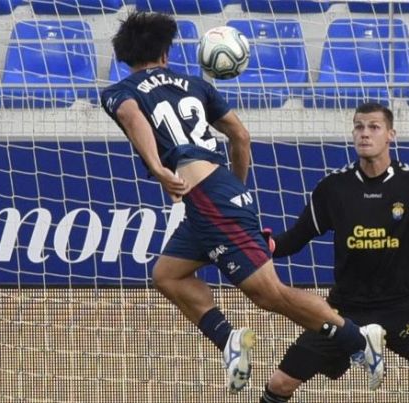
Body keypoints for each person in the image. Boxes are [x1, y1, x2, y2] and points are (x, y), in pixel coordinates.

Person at [100, 11, 386, 393]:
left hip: (209, 199)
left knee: (269, 294)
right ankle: (231, 340)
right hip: (214, 195)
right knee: (167, 275)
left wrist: (158, 167)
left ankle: (358, 337)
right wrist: (235, 188)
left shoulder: (119, 91)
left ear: (123, 57)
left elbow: (131, 116)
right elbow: (241, 135)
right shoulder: (194, 84)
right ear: (166, 53)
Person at [259, 102, 409, 403]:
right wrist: (266, 246)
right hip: (345, 310)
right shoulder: (334, 188)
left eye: (374, 127)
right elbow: (296, 239)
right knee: (279, 383)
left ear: (391, 135)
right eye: (359, 126)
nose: (365, 134)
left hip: (405, 305)